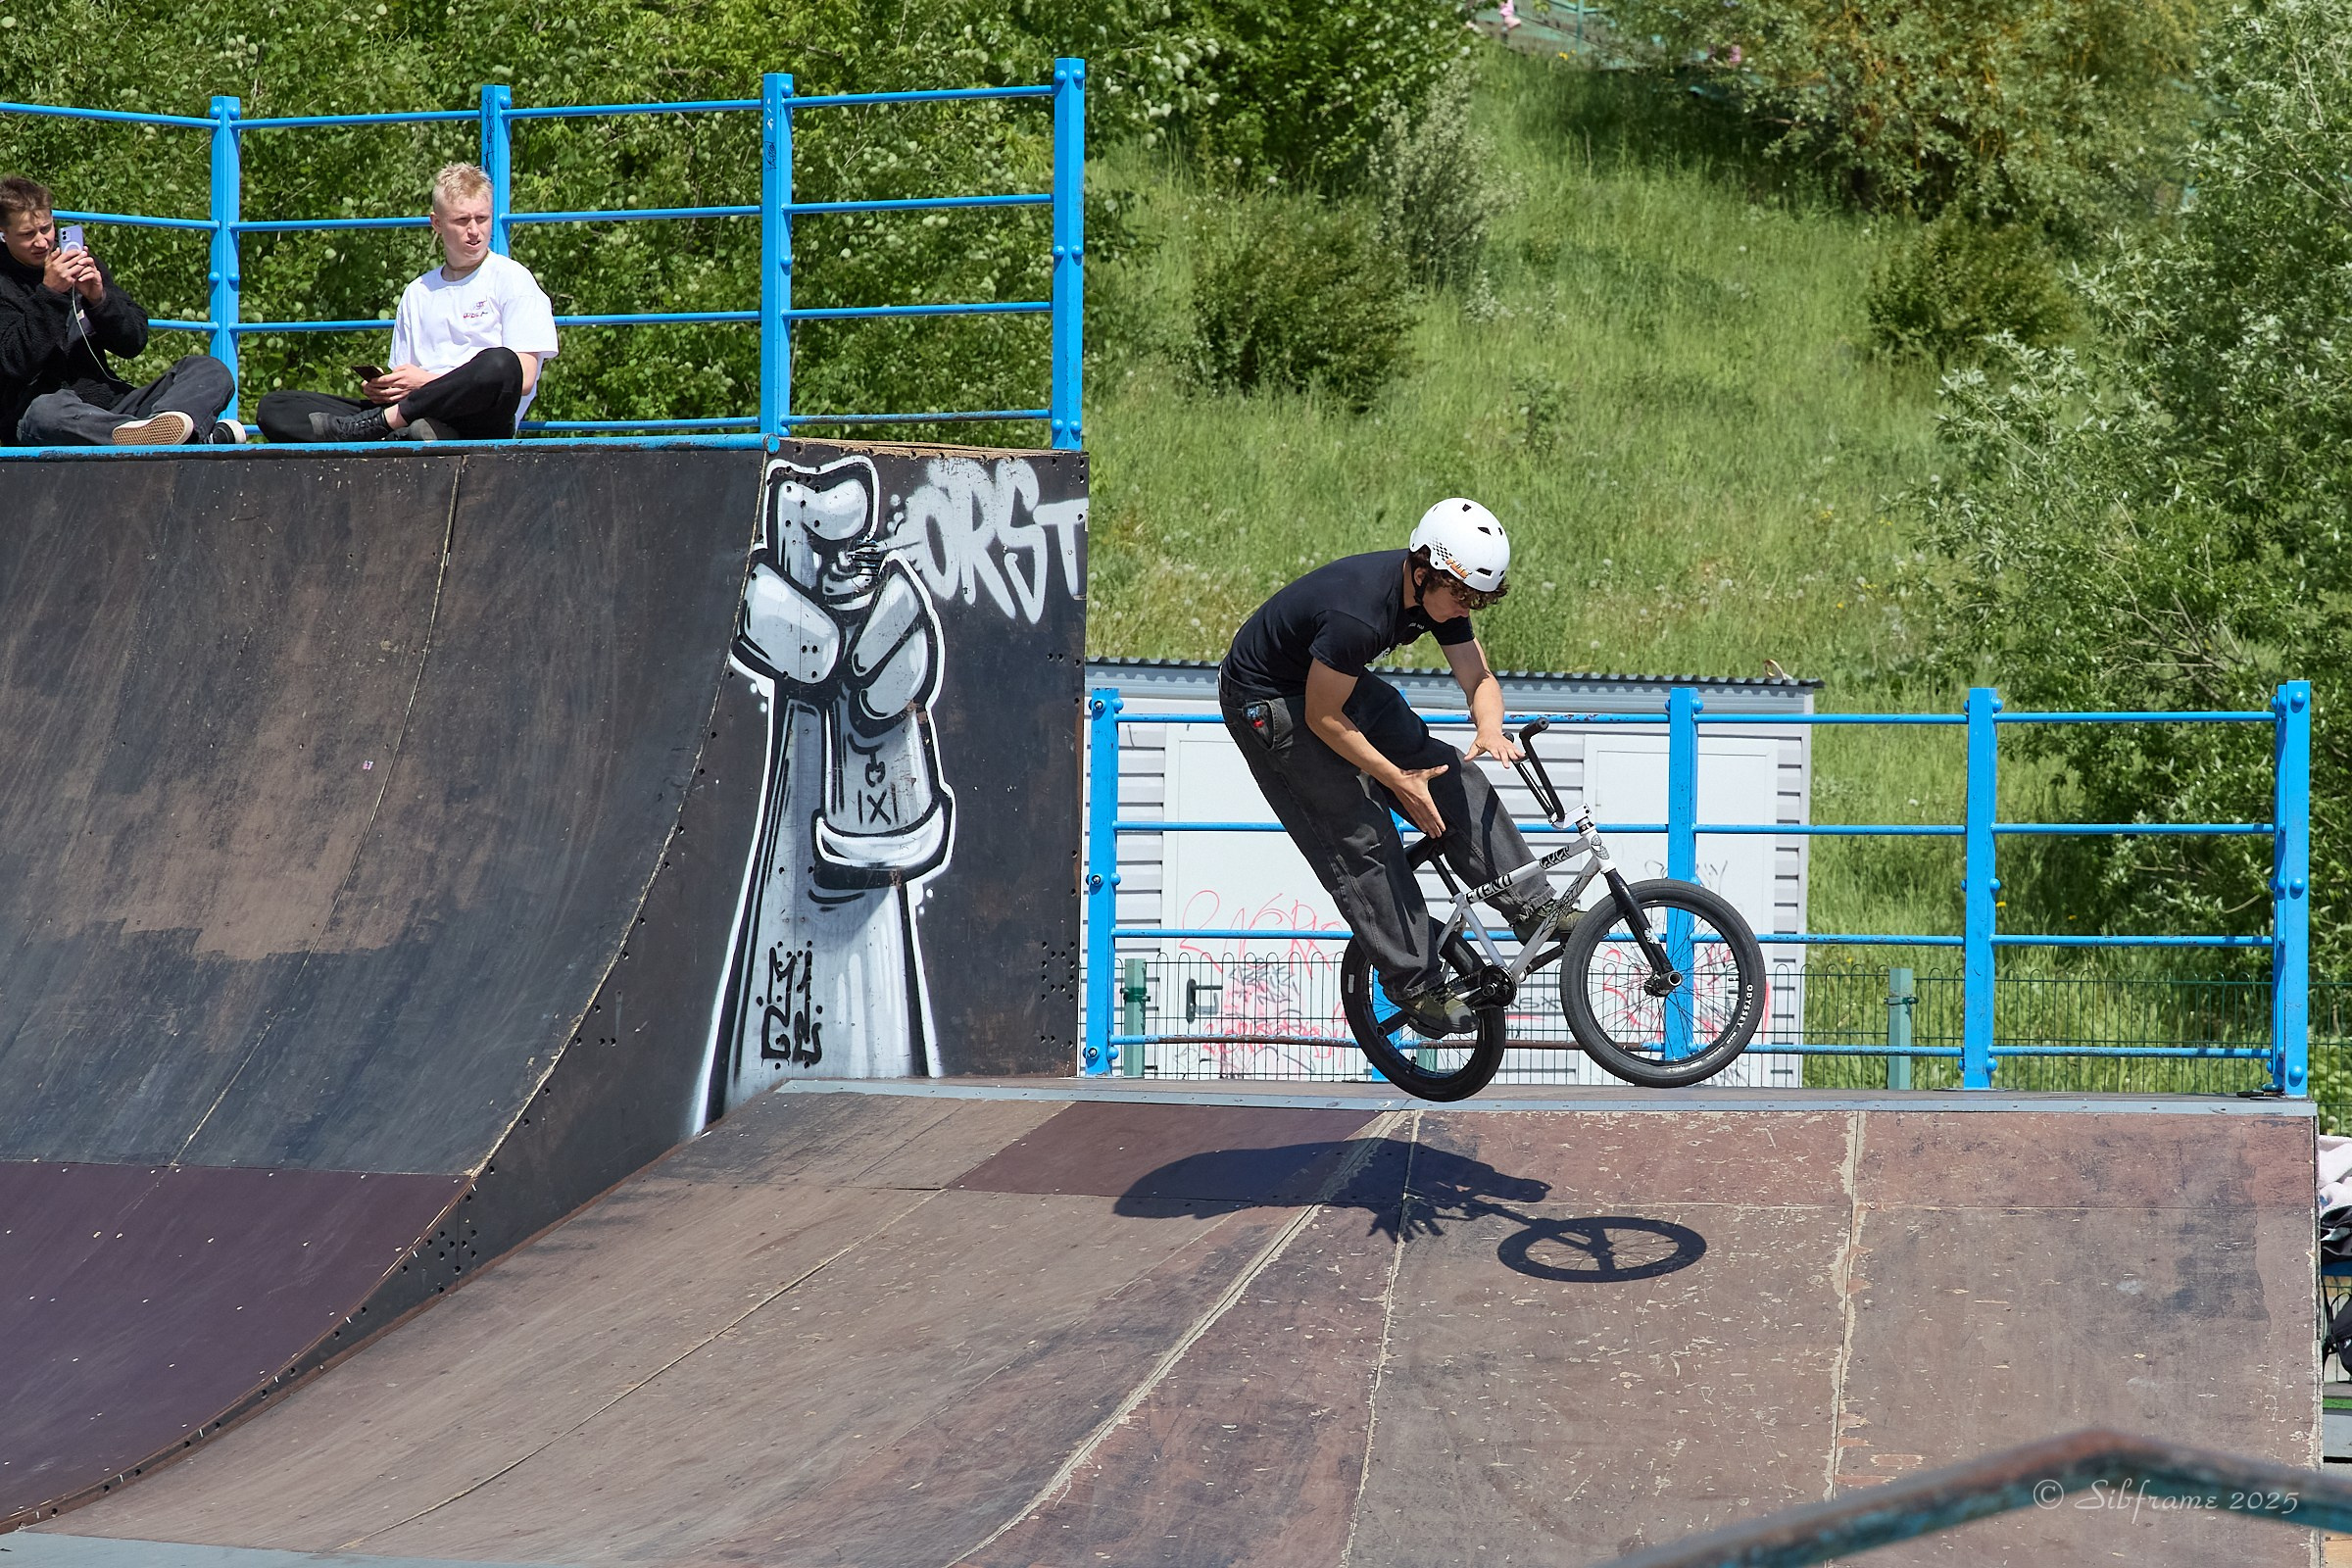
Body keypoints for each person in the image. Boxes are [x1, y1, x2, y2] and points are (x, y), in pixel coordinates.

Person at [1219, 500, 1557, 1038]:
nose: (1465, 609)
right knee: (1365, 835)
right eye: (1462, 597)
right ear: (1422, 573)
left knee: (1448, 771)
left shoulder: (1441, 594)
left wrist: (1490, 727)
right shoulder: (1357, 615)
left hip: (1328, 679)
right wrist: (1397, 781)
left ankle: (1533, 906)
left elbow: (1478, 678)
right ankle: (1414, 983)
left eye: (1477, 601)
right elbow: (1322, 717)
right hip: (1269, 700)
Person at [256, 163, 557, 443]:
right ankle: (408, 429)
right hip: (412, 412)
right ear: (436, 223)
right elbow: (404, 379)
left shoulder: (513, 279)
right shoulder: (418, 291)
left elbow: (523, 378)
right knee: (276, 406)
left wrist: (425, 382)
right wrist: (385, 388)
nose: (475, 231)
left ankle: (381, 426)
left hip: (480, 420)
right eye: (462, 220)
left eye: (482, 218)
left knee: (501, 363)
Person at [0, 175, 239, 447]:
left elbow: (134, 342)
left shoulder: (79, 261)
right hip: (38, 413)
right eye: (27, 235)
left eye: (46, 229)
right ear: (3, 233)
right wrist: (51, 295)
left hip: (112, 407)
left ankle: (157, 432)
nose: (42, 242)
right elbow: (14, 362)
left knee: (210, 369)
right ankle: (191, 438)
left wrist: (99, 300)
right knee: (47, 413)